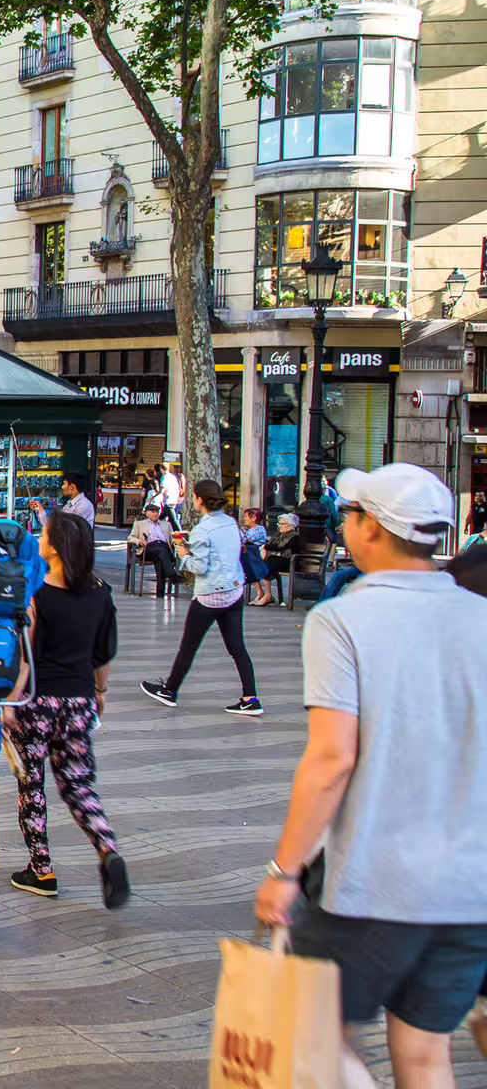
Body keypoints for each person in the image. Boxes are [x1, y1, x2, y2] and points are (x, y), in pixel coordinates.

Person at [255, 464, 487, 1089]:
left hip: (375, 885)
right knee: (424, 1055)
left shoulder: (343, 620)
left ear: (374, 529)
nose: (344, 521)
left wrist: (284, 871)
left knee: (308, 1039)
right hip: (471, 890)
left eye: (353, 512)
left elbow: (332, 759)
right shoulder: (480, 617)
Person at [3, 511, 128, 907]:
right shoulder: (101, 593)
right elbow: (103, 655)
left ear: (54, 547)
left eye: (42, 535)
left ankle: (41, 870)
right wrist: (100, 692)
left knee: (31, 784)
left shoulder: (36, 592)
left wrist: (9, 701)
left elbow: (26, 655)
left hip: (38, 701)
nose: (38, 539)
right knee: (78, 783)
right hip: (78, 700)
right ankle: (107, 847)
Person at [141, 479, 262, 716]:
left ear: (198, 500)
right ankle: (251, 697)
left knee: (189, 645)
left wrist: (184, 554)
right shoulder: (231, 523)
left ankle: (170, 690)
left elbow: (201, 566)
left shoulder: (202, 529)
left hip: (209, 595)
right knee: (237, 647)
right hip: (234, 589)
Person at [126, 502, 177, 597]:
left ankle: (160, 592)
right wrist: (139, 541)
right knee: (161, 552)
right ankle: (172, 574)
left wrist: (176, 541)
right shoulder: (139, 524)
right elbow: (130, 538)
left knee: (160, 559)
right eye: (153, 512)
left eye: (157, 512)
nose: (155, 514)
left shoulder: (166, 524)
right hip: (148, 548)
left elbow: (172, 538)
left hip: (164, 547)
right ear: (147, 513)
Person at [31, 472, 97, 529]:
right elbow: (54, 525)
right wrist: (40, 509)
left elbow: (66, 529)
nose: (62, 487)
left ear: (72, 487)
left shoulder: (83, 505)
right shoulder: (69, 505)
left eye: (64, 484)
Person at [240, 506, 277, 605]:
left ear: (253, 518)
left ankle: (263, 593)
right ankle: (260, 592)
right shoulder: (250, 530)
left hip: (259, 556)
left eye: (246, 517)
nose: (244, 519)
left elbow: (244, 540)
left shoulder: (258, 530)